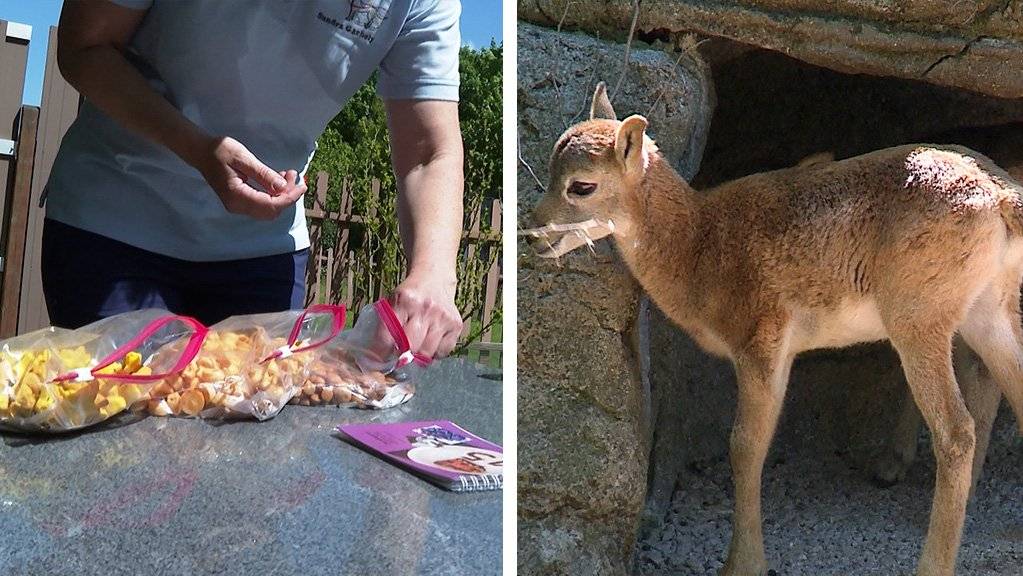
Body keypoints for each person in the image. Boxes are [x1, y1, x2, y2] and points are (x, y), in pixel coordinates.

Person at [43, 0, 465, 359]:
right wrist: (197, 149)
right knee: (121, 439)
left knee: (251, 437)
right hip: (114, 228)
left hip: (263, 254)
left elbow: (429, 153)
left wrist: (434, 274)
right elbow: (84, 46)